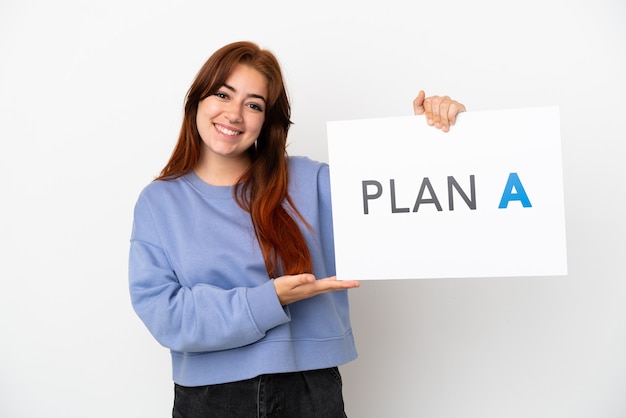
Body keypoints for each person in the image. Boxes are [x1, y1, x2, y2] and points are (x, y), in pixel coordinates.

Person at [128, 41, 466, 417]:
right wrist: (269, 299)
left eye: (254, 104)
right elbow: (165, 314)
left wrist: (434, 136)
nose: (235, 114)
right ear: (197, 101)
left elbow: (405, 205)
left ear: (267, 120)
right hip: (208, 398)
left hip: (308, 390)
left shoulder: (311, 180)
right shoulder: (159, 203)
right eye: (223, 94)